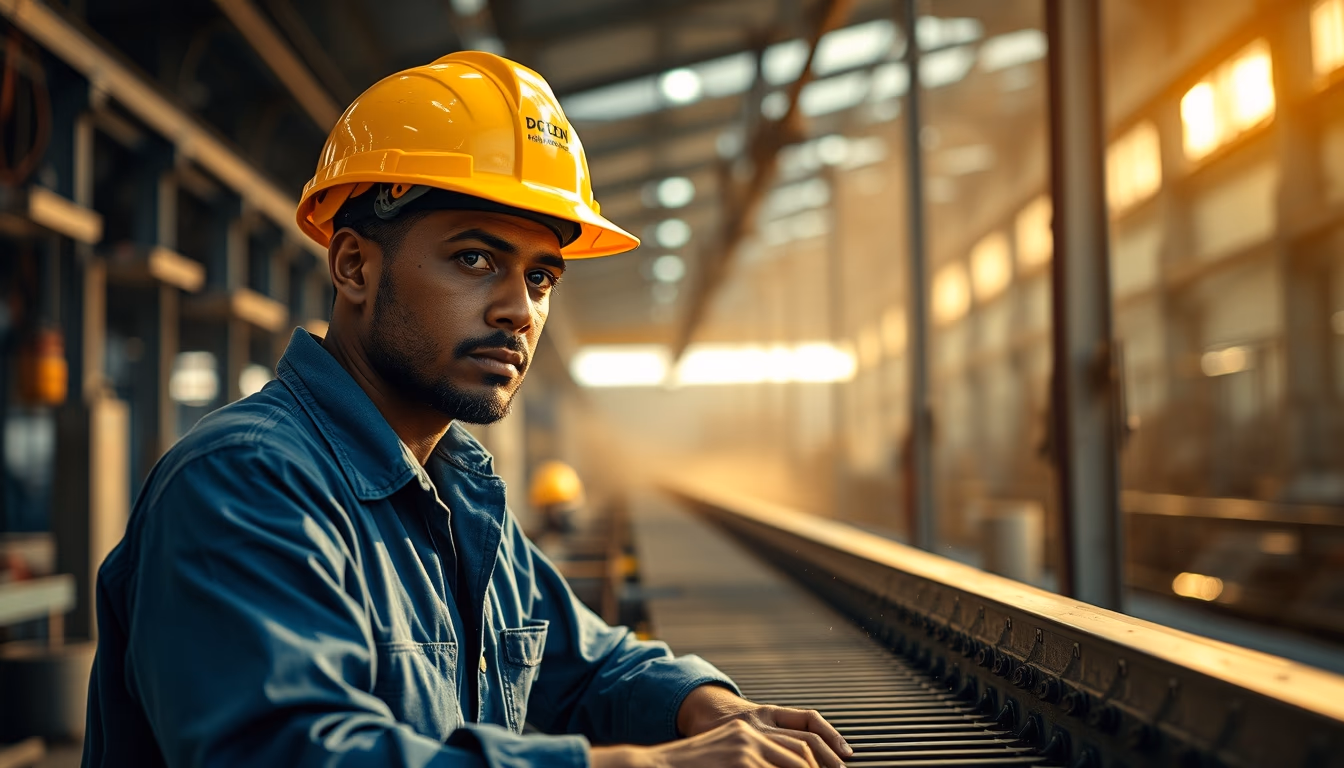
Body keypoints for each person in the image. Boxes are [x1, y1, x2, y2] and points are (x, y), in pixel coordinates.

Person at [81, 51, 852, 768]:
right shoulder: (246, 484)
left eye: (542, 278)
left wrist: (706, 707)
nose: (519, 310)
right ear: (354, 265)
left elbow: (579, 662)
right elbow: (298, 750)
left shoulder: (453, 491)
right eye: (475, 259)